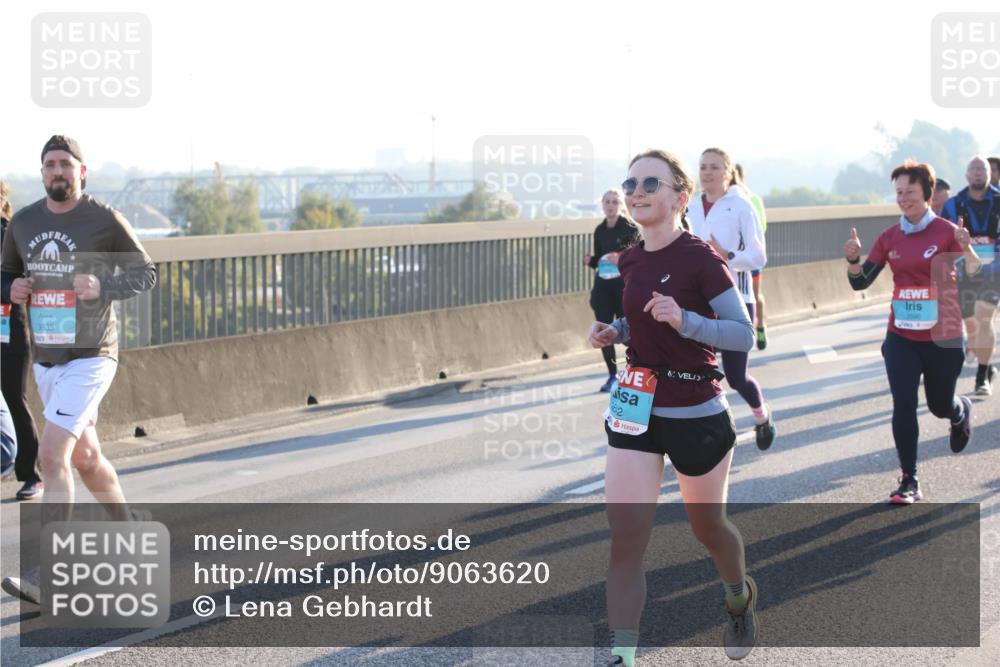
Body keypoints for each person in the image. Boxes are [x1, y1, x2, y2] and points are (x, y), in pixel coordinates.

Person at [590, 149, 758, 664]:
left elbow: (741, 334)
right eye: (631, 182)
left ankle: (738, 594)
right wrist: (613, 331)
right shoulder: (632, 257)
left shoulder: (701, 258)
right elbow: (640, 318)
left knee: (708, 529)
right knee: (626, 536)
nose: (636, 191)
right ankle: (623, 651)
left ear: (680, 198)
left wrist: (686, 321)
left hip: (696, 410)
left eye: (650, 183)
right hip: (636, 407)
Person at [0, 136, 157, 604]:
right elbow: (3, 272)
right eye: (49, 165)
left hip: (92, 355)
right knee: (86, 459)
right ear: (42, 172)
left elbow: (146, 272)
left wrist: (103, 284)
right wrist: (16, 287)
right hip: (48, 360)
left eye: (65, 164)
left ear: (81, 172)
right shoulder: (23, 222)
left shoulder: (103, 218)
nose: (57, 172)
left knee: (52, 457)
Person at [845, 160, 980, 504]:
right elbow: (860, 282)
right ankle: (910, 479)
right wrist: (853, 261)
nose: (904, 199)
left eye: (911, 192)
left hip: (944, 335)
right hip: (901, 335)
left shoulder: (949, 230)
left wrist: (967, 247)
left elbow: (979, 272)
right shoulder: (890, 237)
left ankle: (959, 410)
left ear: (927, 195)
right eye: (899, 193)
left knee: (938, 405)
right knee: (903, 404)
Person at [687, 148, 775, 450]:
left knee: (736, 377)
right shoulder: (690, 209)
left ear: (727, 172)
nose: (707, 173)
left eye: (714, 167)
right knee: (697, 373)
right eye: (702, 167)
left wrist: (728, 257)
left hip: (736, 300)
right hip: (697, 304)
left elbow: (759, 255)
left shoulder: (741, 206)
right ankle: (706, 433)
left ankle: (762, 416)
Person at [940, 156, 1000, 395]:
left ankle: (982, 376)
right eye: (973, 169)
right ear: (966, 175)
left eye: (982, 169)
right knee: (972, 325)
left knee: (984, 317)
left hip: (994, 273)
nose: (978, 173)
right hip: (965, 273)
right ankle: (988, 365)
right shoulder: (954, 205)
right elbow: (943, 238)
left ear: (990, 174)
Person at [1, 180, 44, 499]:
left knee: (15, 397)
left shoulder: (8, 233)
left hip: (9, 332)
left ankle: (32, 475)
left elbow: (19, 282)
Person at [585, 190, 641, 392]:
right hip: (603, 287)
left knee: (629, 330)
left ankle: (635, 370)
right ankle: (612, 375)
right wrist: (590, 261)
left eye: (615, 201)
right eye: (607, 202)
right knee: (603, 331)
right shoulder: (600, 230)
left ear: (621, 205)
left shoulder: (629, 227)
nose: (610, 205)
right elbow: (600, 260)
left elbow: (638, 256)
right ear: (602, 205)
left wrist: (620, 257)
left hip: (623, 286)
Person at [733, 164, 768, 349]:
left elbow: (760, 227)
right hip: (735, 257)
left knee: (753, 294)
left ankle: (759, 327)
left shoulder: (751, 199)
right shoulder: (727, 201)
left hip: (749, 256)